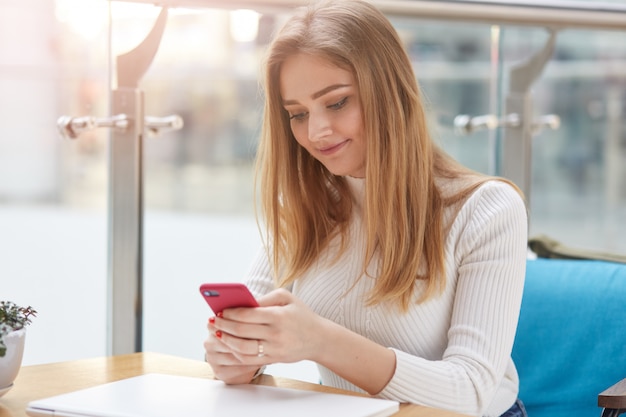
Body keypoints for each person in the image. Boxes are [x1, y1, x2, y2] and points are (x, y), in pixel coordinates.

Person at [203, 1, 528, 416]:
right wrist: (236, 358)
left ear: (389, 92)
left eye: (336, 103)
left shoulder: (488, 211)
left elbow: (469, 394)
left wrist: (320, 340)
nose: (316, 131)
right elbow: (254, 332)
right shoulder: (305, 206)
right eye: (297, 114)